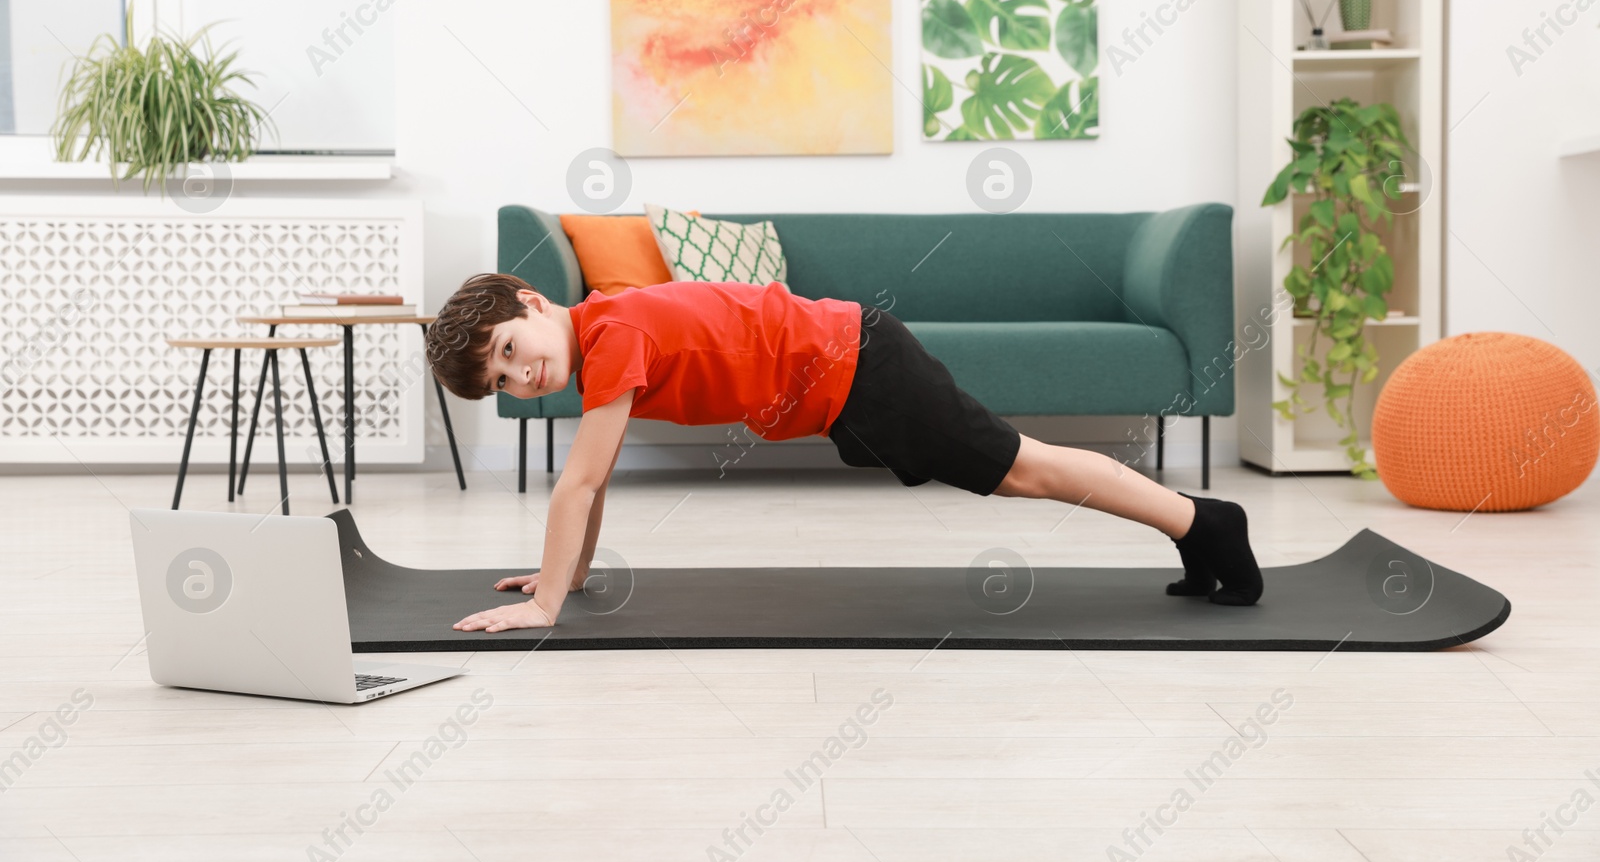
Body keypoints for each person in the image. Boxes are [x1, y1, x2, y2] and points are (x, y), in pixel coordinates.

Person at [425, 273, 1263, 633]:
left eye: (507, 348)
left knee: (1024, 469)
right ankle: (1198, 526)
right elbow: (593, 477)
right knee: (1019, 470)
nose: (519, 375)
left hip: (863, 369)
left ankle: (1206, 523)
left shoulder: (613, 333)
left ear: (533, 304)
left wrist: (543, 609)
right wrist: (564, 575)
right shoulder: (606, 331)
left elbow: (579, 481)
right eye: (500, 382)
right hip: (852, 378)